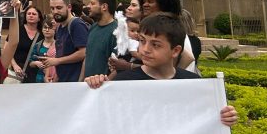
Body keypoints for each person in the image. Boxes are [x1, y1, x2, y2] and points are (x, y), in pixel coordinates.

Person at [85, 16, 239, 127]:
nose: (145, 49)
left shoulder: (192, 84)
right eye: (142, 41)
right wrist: (96, 89)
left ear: (175, 50)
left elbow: (205, 123)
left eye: (156, 45)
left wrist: (224, 117)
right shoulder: (122, 82)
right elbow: (102, 122)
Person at [35, 0, 87, 82]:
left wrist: (58, 61)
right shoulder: (60, 27)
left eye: (59, 8)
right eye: (52, 8)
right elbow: (62, 54)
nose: (55, 11)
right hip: (63, 81)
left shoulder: (76, 24)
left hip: (75, 82)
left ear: (69, 7)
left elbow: (84, 52)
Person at [82, 0, 119, 79]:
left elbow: (118, 66)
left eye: (92, 3)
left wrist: (106, 82)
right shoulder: (93, 27)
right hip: (88, 84)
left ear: (104, 7)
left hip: (103, 87)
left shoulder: (116, 32)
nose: (88, 6)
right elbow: (87, 56)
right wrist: (80, 81)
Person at [10, 3, 43, 82]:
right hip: (18, 70)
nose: (31, 15)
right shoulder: (18, 30)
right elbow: (7, 48)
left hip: (37, 72)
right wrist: (14, 65)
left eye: (34, 14)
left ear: (39, 18)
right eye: (28, 14)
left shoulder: (43, 33)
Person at [24, 16, 58, 83]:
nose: (47, 30)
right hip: (39, 78)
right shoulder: (38, 45)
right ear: (42, 29)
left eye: (50, 28)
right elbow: (30, 62)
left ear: (55, 30)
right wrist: (36, 63)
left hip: (55, 78)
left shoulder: (59, 45)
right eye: (45, 27)